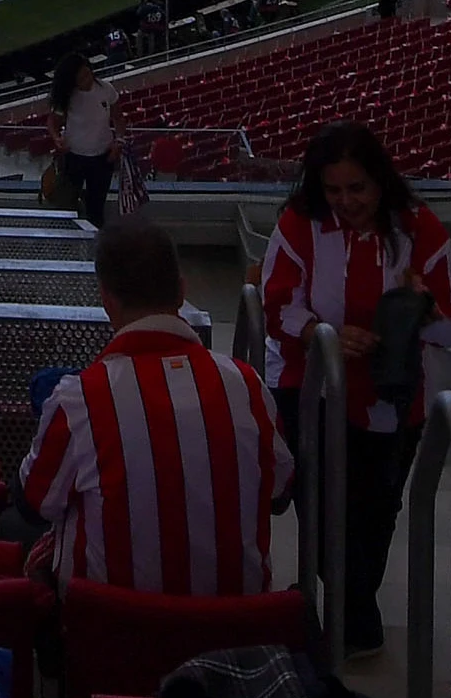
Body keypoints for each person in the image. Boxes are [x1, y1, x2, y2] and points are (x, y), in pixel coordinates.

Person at [258, 120, 451, 653]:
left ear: (380, 181)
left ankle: (353, 613)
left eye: (357, 188)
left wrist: (423, 308)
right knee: (322, 510)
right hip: (312, 391)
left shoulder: (421, 229)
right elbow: (278, 302)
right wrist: (317, 333)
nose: (346, 201)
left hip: (395, 402)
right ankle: (348, 612)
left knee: (376, 511)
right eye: (334, 190)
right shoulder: (300, 224)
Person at [20, 220, 290, 593]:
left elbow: (38, 498)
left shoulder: (77, 400)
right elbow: (279, 487)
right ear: (181, 290)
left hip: (112, 635)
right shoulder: (246, 386)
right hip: (232, 632)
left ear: (107, 301)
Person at [48, 54, 119, 226]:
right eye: (81, 78)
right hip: (74, 157)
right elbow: (53, 122)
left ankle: (95, 242)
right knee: (69, 203)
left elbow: (119, 118)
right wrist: (57, 138)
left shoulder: (106, 89)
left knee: (97, 206)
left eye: (88, 74)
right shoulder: (67, 96)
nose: (87, 80)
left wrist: (119, 142)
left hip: (103, 156)